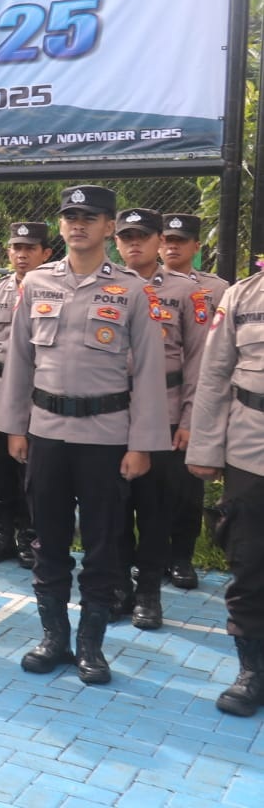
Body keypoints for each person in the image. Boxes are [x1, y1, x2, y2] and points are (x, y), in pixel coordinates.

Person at [0, 185, 169, 685]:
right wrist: (14, 427)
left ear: (109, 226)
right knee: (47, 539)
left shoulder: (132, 290)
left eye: (90, 217)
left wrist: (141, 444)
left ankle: (91, 645)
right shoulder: (37, 283)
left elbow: (150, 374)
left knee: (102, 545)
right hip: (46, 432)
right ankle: (54, 637)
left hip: (106, 435)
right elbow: (20, 361)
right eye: (71, 216)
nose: (78, 225)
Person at [110, 207, 207, 631]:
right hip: (109, 415)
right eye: (126, 236)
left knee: (153, 510)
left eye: (143, 236)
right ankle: (118, 587)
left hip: (164, 417)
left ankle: (149, 592)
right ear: (115, 242)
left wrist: (190, 419)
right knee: (110, 509)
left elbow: (199, 362)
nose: (135, 243)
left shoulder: (187, 292)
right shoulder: (105, 285)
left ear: (157, 241)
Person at [186, 267, 264, 715]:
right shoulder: (241, 296)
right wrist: (205, 448)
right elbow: (214, 377)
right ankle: (252, 671)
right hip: (251, 450)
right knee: (250, 562)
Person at [0, 222, 53, 568]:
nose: (21, 255)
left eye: (30, 249)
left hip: (36, 397)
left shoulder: (54, 292)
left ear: (46, 254)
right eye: (16, 248)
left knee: (31, 470)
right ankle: (2, 534)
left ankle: (29, 535)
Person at [162, 212, 230, 590]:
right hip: (147, 404)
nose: (172, 247)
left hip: (192, 398)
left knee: (186, 488)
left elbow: (207, 357)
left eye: (180, 241)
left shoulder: (215, 290)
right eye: (167, 240)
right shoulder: (141, 284)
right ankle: (149, 555)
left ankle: (182, 557)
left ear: (195, 247)